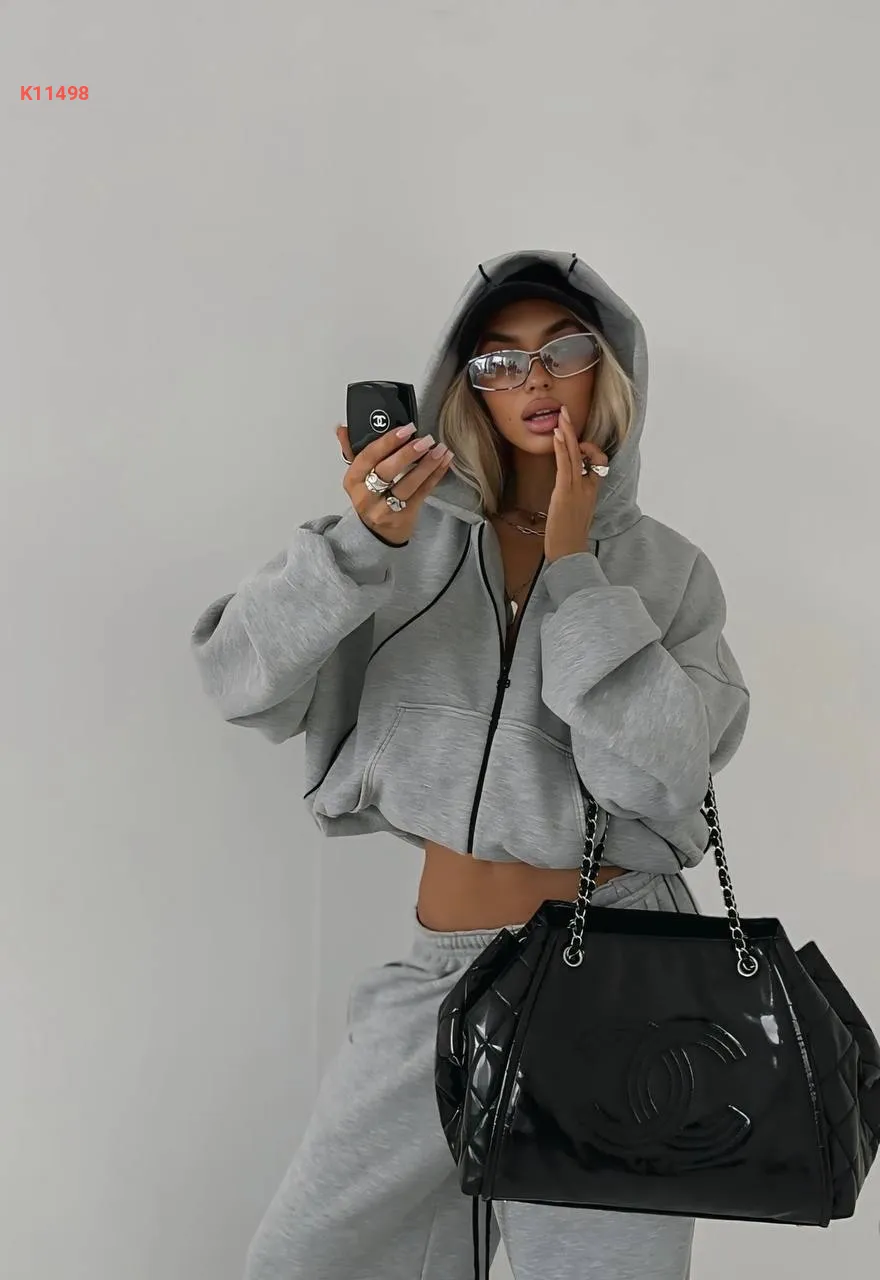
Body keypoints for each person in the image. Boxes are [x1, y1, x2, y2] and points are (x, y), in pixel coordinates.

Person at [190, 250, 750, 1279]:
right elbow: (239, 682)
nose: (535, 379)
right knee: (308, 1259)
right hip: (439, 976)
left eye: (563, 350)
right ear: (464, 386)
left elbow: (658, 775)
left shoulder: (667, 571)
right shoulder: (396, 543)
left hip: (621, 980)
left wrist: (576, 570)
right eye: (499, 360)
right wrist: (359, 543)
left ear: (608, 368)